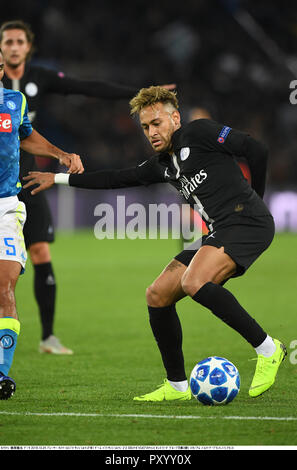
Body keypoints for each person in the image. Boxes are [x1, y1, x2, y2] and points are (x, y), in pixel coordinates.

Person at [23, 86, 287, 401]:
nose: (151, 132)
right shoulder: (161, 164)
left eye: (157, 123)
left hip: (248, 222)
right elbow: (114, 179)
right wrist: (58, 179)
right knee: (158, 294)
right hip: (222, 230)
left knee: (194, 281)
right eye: (146, 127)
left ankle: (268, 349)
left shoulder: (200, 132)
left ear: (175, 118)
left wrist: (255, 198)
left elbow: (256, 149)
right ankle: (176, 386)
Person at [0, 19, 175, 355]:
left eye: (19, 42)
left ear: (28, 47)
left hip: (25, 178)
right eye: (8, 42)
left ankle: (47, 337)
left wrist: (137, 94)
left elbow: (87, 87)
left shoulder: (39, 80)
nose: (13, 47)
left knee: (40, 252)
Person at [0, 48, 83, 399]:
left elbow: (25, 134)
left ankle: (1, 374)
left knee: (5, 287)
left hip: (5, 206)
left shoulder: (13, 100)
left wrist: (60, 154)